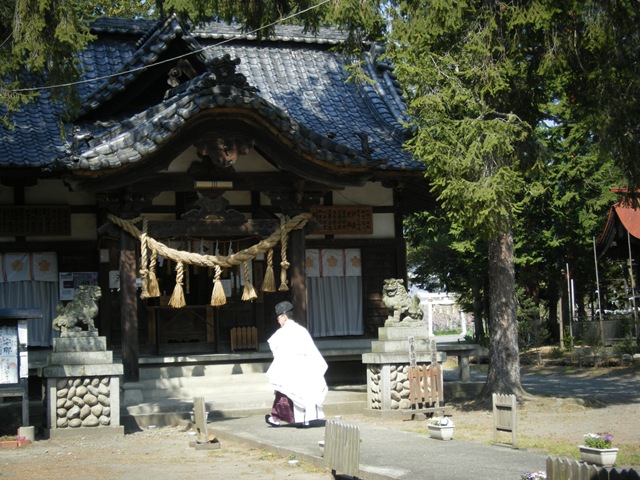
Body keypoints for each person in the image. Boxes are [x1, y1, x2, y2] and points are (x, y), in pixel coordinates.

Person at [265, 300, 328, 427]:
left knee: (285, 392)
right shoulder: (302, 330)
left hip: (289, 368)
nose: (278, 321)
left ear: (284, 317)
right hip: (305, 368)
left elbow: (276, 349)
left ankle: (276, 418)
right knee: (305, 392)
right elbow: (311, 350)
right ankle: (306, 419)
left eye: (279, 318)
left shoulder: (281, 333)